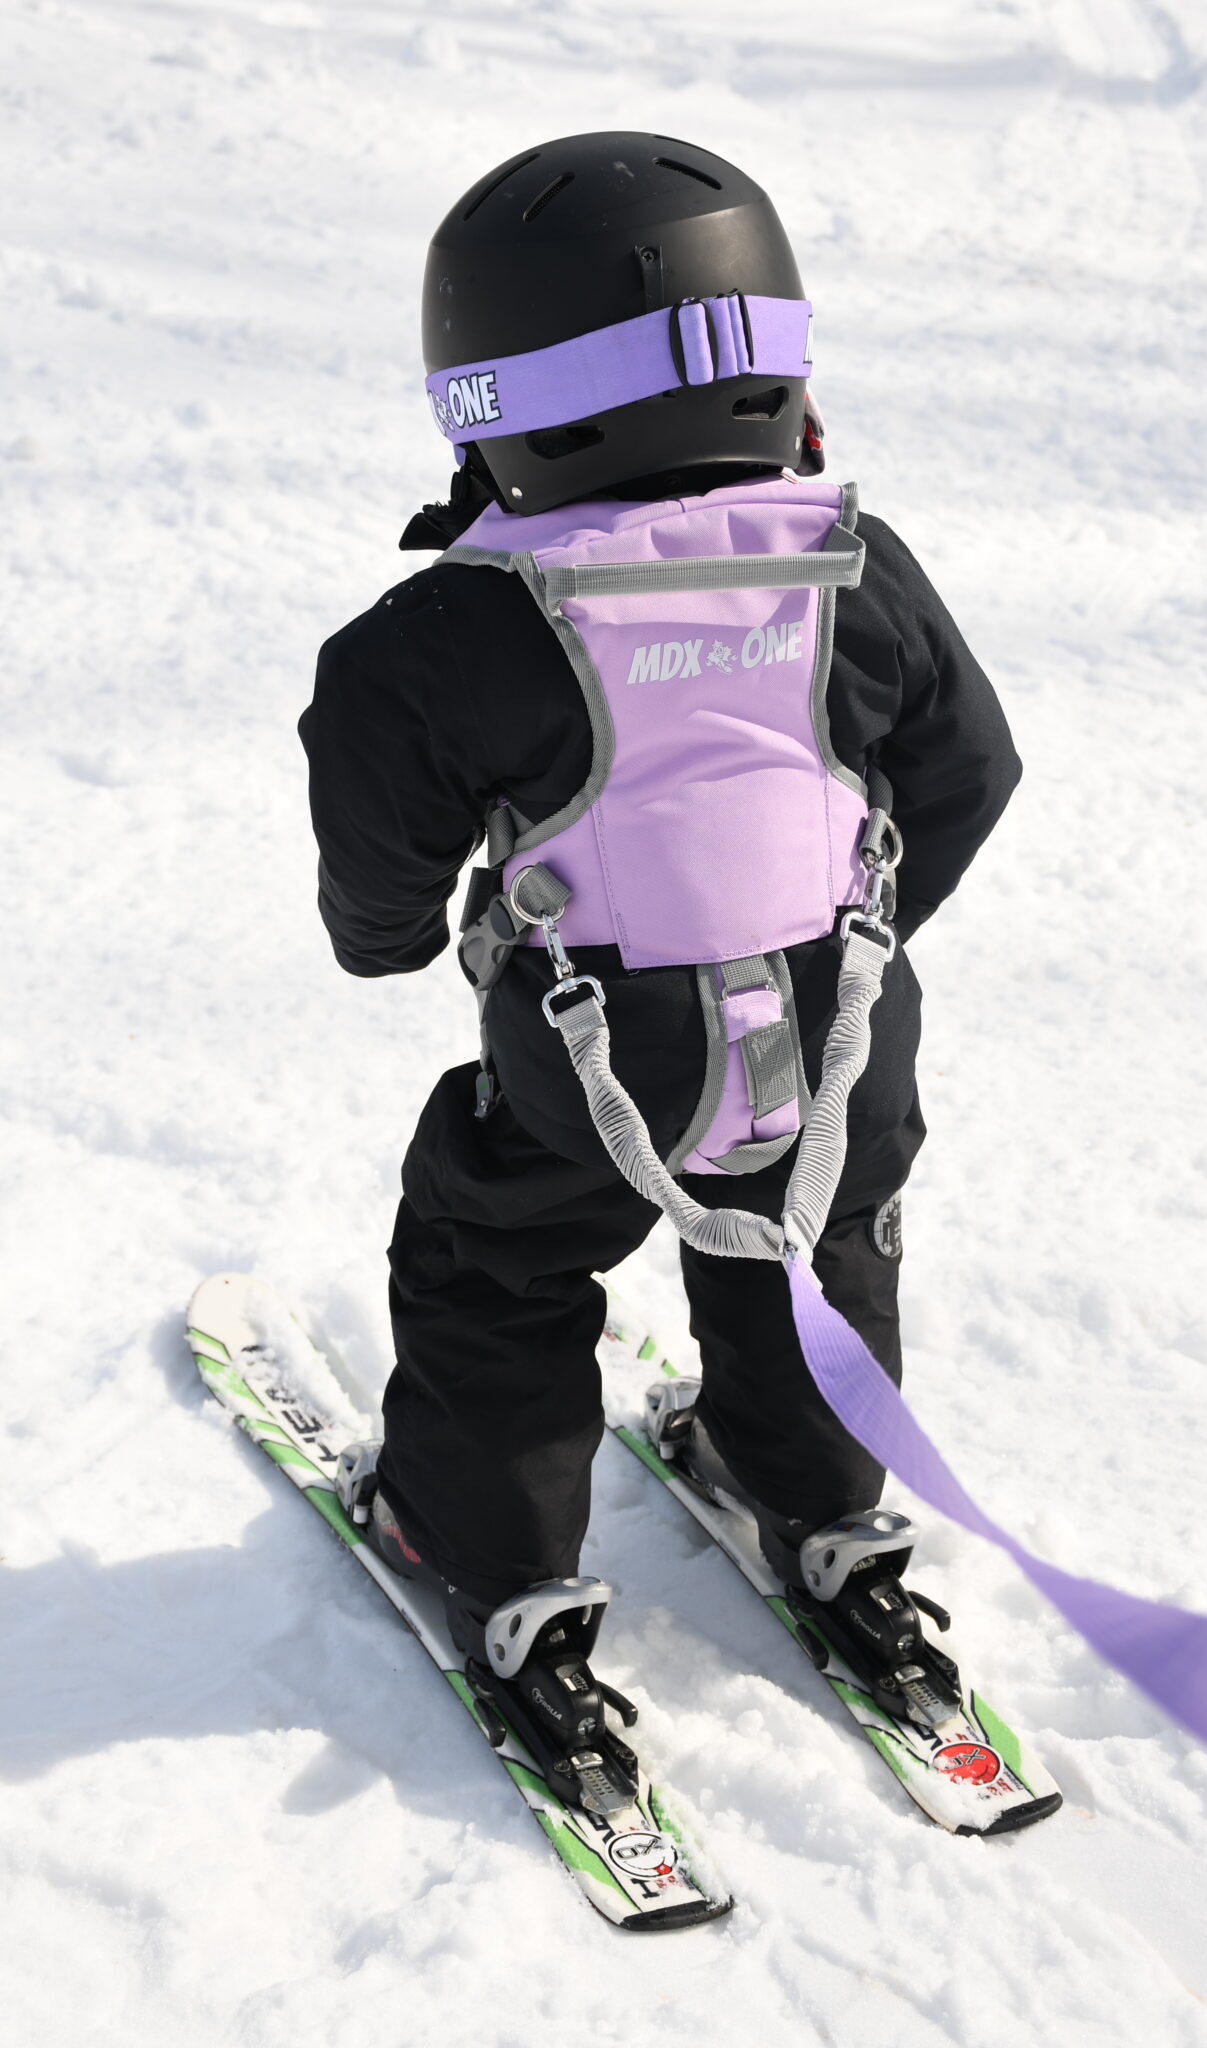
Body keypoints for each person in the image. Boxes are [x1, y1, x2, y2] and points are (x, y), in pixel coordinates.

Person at [299, 132, 1021, 1814]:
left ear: (490, 397)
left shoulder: (441, 637)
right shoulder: (849, 561)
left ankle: (468, 1537)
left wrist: (398, 936)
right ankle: (821, 1503)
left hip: (598, 1056)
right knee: (812, 1232)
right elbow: (969, 771)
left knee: (502, 1250)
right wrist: (854, 931)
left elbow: (378, 881)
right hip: (844, 1031)